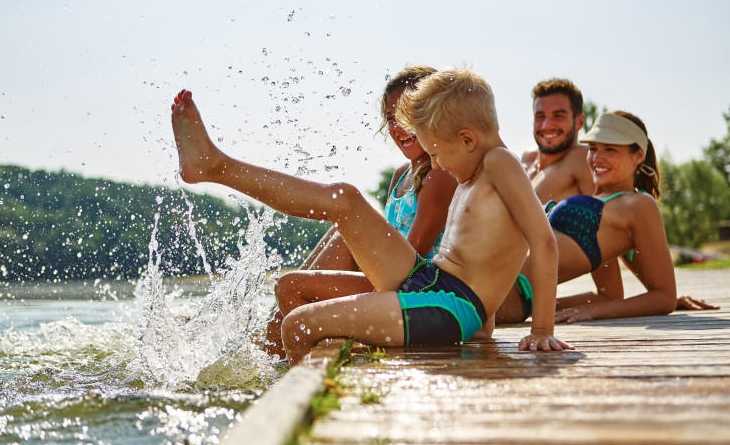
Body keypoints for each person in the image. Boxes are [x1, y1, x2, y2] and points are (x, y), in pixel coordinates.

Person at [170, 68, 573, 365]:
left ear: (467, 138)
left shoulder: (501, 162)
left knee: (297, 325)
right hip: (431, 280)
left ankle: (296, 420)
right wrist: (485, 325)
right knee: (345, 199)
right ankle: (215, 166)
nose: (436, 163)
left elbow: (543, 241)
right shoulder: (475, 169)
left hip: (449, 305)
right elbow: (483, 251)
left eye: (437, 152)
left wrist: (541, 331)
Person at [263, 66, 458, 359]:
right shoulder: (400, 176)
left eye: (409, 115)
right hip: (392, 281)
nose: (398, 127)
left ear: (434, 114)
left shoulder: (439, 176)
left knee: (291, 285)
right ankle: (267, 360)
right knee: (339, 234)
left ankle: (285, 373)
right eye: (391, 119)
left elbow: (411, 263)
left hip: (417, 292)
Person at [496, 111, 679, 324]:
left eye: (610, 149)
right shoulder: (601, 206)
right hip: (500, 283)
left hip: (507, 291)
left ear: (638, 155)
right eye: (593, 148)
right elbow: (608, 294)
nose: (597, 158)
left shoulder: (639, 204)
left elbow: (665, 297)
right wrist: (551, 307)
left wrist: (594, 312)